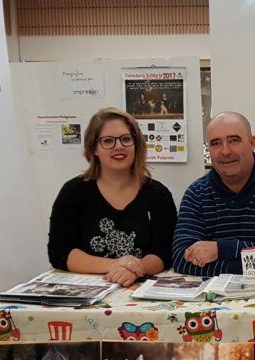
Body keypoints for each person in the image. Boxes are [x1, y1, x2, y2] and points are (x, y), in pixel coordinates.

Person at [47, 107, 177, 287]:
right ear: (94, 149)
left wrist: (132, 270)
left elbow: (165, 252)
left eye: (126, 139)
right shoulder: (73, 192)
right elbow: (60, 252)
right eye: (108, 141)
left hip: (140, 288)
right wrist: (115, 265)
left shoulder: (157, 194)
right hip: (86, 291)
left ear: (136, 144)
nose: (119, 146)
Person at [172, 111, 255, 276]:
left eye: (234, 140)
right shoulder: (196, 194)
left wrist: (221, 249)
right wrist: (246, 268)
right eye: (216, 143)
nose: (225, 151)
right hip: (211, 299)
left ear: (252, 143)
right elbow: (181, 258)